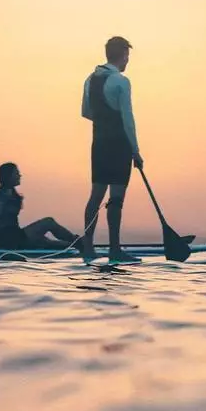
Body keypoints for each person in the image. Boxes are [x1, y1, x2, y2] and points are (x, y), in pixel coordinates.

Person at [80, 36, 143, 263]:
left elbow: (86, 112)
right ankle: (114, 249)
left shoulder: (90, 79)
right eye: (128, 56)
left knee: (96, 196)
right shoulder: (121, 81)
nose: (128, 61)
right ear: (123, 55)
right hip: (118, 145)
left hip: (98, 144)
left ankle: (88, 248)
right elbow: (128, 119)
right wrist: (136, 151)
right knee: (116, 198)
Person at [0, 163, 78, 251]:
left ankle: (76, 244)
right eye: (16, 173)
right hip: (7, 240)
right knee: (48, 222)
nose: (20, 175)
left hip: (17, 236)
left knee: (49, 243)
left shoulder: (14, 195)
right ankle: (77, 241)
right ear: (8, 177)